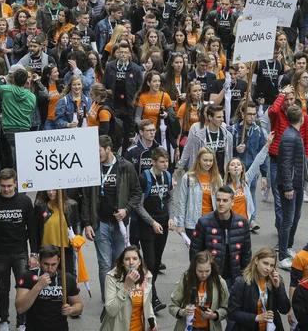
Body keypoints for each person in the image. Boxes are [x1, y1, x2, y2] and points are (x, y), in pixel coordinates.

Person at [81, 135, 141, 302]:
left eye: (99, 150)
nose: (96, 154)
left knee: (119, 261)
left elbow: (137, 193)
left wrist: (126, 210)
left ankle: (119, 293)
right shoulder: (92, 168)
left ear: (108, 149)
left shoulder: (125, 167)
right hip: (100, 223)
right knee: (104, 264)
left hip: (120, 223)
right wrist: (87, 224)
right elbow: (86, 198)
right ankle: (107, 298)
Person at [0, 168, 38, 331]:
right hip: (0, 253)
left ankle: (22, 322)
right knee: (3, 289)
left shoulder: (24, 202)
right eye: (3, 186)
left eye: (9, 186)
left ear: (15, 184)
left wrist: (34, 254)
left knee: (23, 288)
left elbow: (32, 228)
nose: (6, 189)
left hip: (20, 252)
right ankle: (4, 321)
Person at [277, 106, 308, 268]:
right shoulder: (290, 137)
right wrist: (288, 187)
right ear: (302, 119)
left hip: (297, 184)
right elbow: (286, 164)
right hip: (291, 185)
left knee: (295, 216)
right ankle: (282, 256)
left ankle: (288, 247)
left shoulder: (294, 135)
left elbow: (301, 158)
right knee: (288, 220)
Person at [132, 147, 174, 313]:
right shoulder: (145, 178)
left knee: (156, 263)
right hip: (147, 226)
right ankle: (153, 298)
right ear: (154, 162)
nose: (165, 164)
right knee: (149, 261)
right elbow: (138, 204)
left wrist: (171, 217)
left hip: (163, 224)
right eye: (162, 162)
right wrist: (152, 222)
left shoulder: (167, 176)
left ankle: (146, 288)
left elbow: (170, 198)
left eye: (167, 161)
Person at [189, 185, 252, 291]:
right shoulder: (204, 222)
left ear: (232, 202)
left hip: (234, 278)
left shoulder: (242, 223)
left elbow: (246, 253)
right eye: (218, 200)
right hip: (210, 277)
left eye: (225, 200)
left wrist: (244, 276)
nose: (221, 203)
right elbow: (195, 252)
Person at [15, 244, 84, 330]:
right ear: (39, 260)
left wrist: (71, 310)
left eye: (53, 264)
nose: (49, 268)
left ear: (58, 261)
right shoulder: (28, 277)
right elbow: (20, 308)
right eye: (46, 264)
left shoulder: (66, 278)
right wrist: (38, 287)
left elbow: (79, 305)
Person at [228, 101, 270, 231]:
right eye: (249, 114)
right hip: (235, 171)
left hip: (252, 170)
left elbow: (262, 153)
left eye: (254, 114)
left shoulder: (259, 132)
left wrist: (264, 175)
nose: (252, 117)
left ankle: (251, 219)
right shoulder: (233, 131)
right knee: (234, 194)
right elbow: (227, 152)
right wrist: (236, 150)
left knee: (251, 194)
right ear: (242, 113)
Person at [228, 247, 291, 330]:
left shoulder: (275, 280)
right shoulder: (241, 282)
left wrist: (278, 288)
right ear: (256, 260)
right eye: (265, 263)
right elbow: (232, 313)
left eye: (271, 265)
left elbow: (284, 309)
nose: (268, 268)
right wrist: (256, 317)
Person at [168, 250, 229, 331]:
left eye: (207, 271)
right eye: (200, 271)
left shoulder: (220, 282)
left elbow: (226, 308)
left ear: (212, 268)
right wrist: (182, 312)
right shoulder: (186, 279)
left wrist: (214, 315)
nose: (204, 275)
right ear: (194, 268)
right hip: (188, 327)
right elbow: (172, 306)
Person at [34, 189, 80, 284]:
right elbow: (35, 229)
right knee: (47, 279)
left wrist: (77, 238)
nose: (51, 192)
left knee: (67, 279)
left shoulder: (71, 205)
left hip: (65, 249)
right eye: (49, 190)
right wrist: (35, 253)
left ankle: (68, 298)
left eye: (54, 190)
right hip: (46, 250)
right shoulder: (40, 205)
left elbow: (77, 223)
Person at [0, 67, 37, 163]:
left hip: (9, 129)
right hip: (25, 129)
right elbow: (32, 109)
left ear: (14, 80)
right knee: (23, 159)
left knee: (9, 158)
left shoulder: (7, 90)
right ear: (26, 81)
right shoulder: (32, 96)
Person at [177, 104, 233, 176]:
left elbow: (229, 157)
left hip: (221, 177)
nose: (222, 119)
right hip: (203, 177)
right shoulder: (198, 136)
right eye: (219, 117)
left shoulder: (228, 136)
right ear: (210, 117)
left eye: (222, 117)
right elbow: (193, 158)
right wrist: (183, 167)